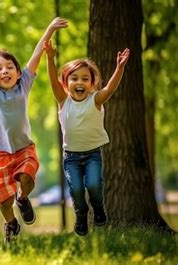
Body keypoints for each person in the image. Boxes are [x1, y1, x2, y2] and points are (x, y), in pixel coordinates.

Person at [0, 17, 68, 244]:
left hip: (24, 148)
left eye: (10, 67)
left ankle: (23, 197)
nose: (5, 71)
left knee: (28, 178)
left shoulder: (23, 85)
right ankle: (11, 223)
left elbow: (37, 54)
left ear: (19, 73)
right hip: (1, 153)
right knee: (3, 201)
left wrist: (49, 29)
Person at [44, 40, 130, 236]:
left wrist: (119, 68)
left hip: (92, 154)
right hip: (71, 157)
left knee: (93, 185)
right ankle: (81, 215)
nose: (79, 82)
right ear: (66, 84)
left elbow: (110, 88)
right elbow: (52, 79)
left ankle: (98, 208)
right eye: (74, 78)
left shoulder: (96, 100)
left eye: (85, 79)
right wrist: (50, 58)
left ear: (92, 84)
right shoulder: (63, 101)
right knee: (75, 190)